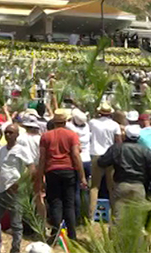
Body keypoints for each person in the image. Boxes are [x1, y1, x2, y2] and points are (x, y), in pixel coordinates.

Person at [37, 112, 87, 240]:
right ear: (65, 122)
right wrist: (82, 176)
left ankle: (56, 234)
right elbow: (76, 155)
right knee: (69, 204)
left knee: (55, 203)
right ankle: (72, 235)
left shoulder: (45, 136)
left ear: (53, 122)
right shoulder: (72, 135)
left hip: (51, 171)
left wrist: (40, 178)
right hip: (68, 170)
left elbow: (42, 158)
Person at [98, 124, 151, 224]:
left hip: (121, 185)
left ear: (125, 135)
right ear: (138, 137)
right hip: (139, 185)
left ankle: (115, 239)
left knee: (118, 216)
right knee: (137, 218)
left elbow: (102, 162)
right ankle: (136, 238)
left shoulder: (117, 148)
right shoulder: (145, 150)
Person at [0, 124, 34, 253]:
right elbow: (1, 167)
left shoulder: (21, 149)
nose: (8, 135)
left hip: (15, 190)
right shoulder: (2, 150)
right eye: (6, 132)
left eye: (11, 132)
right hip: (1, 189)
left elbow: (32, 169)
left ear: (17, 135)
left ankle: (15, 249)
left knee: (16, 223)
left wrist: (20, 184)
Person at [88, 102, 121, 218]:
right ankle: (114, 215)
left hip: (96, 155)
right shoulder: (115, 125)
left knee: (94, 187)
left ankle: (91, 215)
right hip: (110, 156)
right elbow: (118, 142)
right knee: (111, 187)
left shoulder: (93, 123)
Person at [67, 108, 91, 220]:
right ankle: (85, 214)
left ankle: (76, 216)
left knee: (75, 189)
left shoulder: (70, 127)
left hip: (77, 160)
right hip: (88, 159)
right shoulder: (87, 127)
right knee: (85, 189)